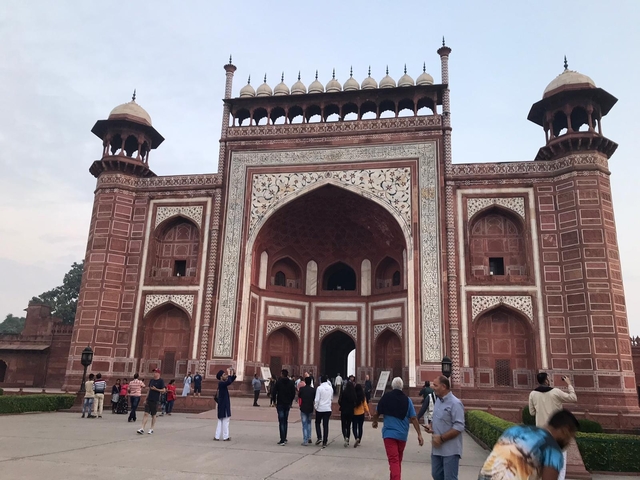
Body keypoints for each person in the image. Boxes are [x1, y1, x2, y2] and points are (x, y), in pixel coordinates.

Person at [478, 409, 580, 480]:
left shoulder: (515, 430)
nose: (569, 441)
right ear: (565, 430)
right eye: (571, 436)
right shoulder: (553, 450)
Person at [372, 376, 424, 480]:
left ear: (392, 386)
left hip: (389, 435)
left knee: (394, 461)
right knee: (397, 460)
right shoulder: (407, 400)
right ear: (402, 387)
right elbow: (413, 418)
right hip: (402, 435)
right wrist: (419, 434)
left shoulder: (386, 397)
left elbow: (377, 412)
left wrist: (375, 422)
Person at [529, 373, 577, 480]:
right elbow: (573, 398)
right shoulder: (556, 392)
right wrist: (569, 384)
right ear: (546, 380)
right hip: (558, 432)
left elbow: (532, 412)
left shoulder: (533, 394)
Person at [423, 375, 465, 480]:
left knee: (450, 477)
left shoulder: (455, 403)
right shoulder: (438, 401)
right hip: (437, 449)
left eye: (435, 385)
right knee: (436, 475)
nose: (433, 387)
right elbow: (437, 419)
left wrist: (441, 438)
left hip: (450, 450)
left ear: (444, 386)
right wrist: (431, 426)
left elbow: (459, 426)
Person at [137, 369, 165, 435]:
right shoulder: (151, 380)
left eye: (155, 372)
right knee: (146, 413)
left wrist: (156, 389)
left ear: (158, 373)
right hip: (149, 399)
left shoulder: (161, 381)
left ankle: (151, 428)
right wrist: (146, 399)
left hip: (155, 399)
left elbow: (163, 390)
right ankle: (142, 428)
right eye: (154, 372)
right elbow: (149, 390)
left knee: (153, 414)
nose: (154, 373)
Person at [273, 369, 296, 446]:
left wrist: (274, 401)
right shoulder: (291, 383)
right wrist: (290, 401)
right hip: (287, 404)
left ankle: (282, 439)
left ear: (282, 374)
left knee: (281, 421)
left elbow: (274, 392)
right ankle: (284, 438)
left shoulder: (279, 382)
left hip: (280, 403)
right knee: (285, 421)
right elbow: (293, 393)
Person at [214, 367, 236, 441]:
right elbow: (229, 382)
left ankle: (217, 436)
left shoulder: (221, 384)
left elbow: (231, 380)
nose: (225, 376)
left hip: (221, 405)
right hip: (224, 406)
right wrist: (229, 374)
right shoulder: (221, 384)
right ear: (220, 377)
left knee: (220, 421)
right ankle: (225, 436)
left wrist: (233, 374)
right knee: (226, 421)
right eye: (224, 375)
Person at [314, 374, 333, 448]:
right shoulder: (330, 388)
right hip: (327, 409)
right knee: (326, 425)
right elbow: (331, 398)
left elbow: (317, 399)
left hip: (320, 408)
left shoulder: (319, 388)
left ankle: (319, 437)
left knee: (317, 423)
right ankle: (325, 441)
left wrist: (316, 407)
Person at [298, 376, 316, 446]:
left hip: (303, 407)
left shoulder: (302, 389)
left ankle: (305, 440)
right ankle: (309, 437)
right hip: (310, 407)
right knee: (309, 423)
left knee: (304, 424)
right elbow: (314, 398)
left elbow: (299, 396)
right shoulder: (313, 390)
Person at [339, 380, 357, 447]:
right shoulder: (353, 394)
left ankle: (345, 437)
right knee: (348, 426)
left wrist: (342, 405)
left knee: (343, 425)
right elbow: (355, 402)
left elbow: (339, 401)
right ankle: (348, 439)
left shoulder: (344, 392)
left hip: (344, 411)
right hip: (350, 411)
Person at [352, 383, 370, 447]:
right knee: (360, 427)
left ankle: (356, 437)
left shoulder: (353, 396)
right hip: (361, 413)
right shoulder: (363, 396)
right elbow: (365, 405)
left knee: (354, 427)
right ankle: (359, 440)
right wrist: (368, 413)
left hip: (354, 413)